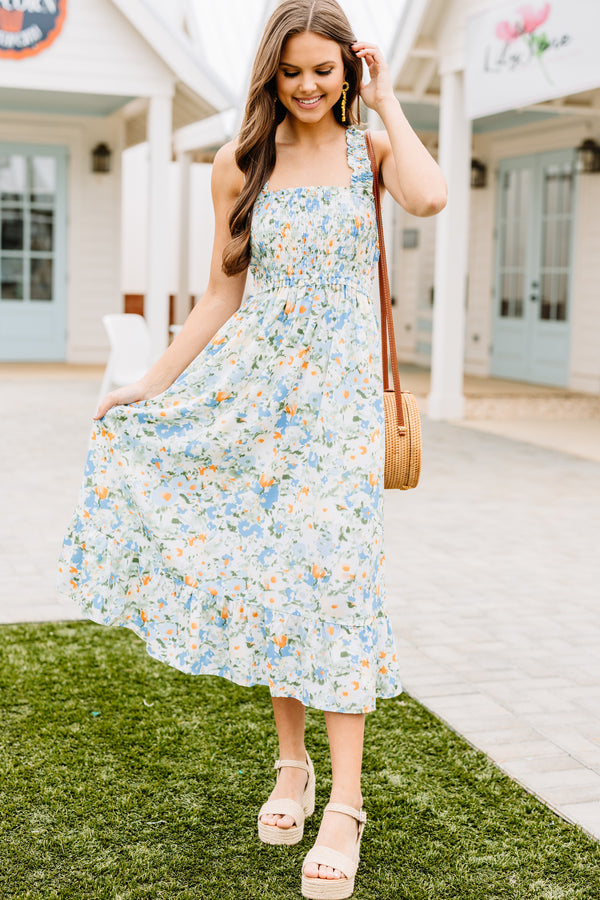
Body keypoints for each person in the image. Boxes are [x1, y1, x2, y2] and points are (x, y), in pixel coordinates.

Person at [56, 1, 447, 896]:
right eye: (292, 71)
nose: (308, 86)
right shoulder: (241, 166)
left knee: (337, 585)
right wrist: (147, 386)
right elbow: (217, 299)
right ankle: (292, 766)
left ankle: (346, 803)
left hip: (342, 418)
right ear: (270, 74)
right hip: (255, 408)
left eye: (324, 69)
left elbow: (429, 197)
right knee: (281, 585)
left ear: (348, 69)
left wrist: (386, 102)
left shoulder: (370, 152)